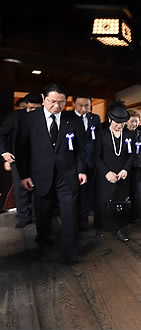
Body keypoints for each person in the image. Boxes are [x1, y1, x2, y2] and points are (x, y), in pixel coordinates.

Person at [15, 84, 87, 264]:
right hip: (40, 174)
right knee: (42, 212)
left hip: (67, 174)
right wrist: (24, 175)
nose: (57, 106)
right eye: (52, 101)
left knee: (70, 213)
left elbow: (80, 149)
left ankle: (70, 250)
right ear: (43, 98)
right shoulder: (29, 119)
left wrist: (81, 170)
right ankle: (44, 241)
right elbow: (21, 150)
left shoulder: (73, 120)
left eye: (62, 102)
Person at [94, 101, 139, 241]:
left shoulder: (129, 135)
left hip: (123, 175)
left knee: (122, 202)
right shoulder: (102, 134)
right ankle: (101, 226)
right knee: (103, 200)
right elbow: (96, 156)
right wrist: (106, 173)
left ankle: (121, 229)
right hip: (105, 174)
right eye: (116, 123)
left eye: (122, 123)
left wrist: (126, 169)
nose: (119, 125)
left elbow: (132, 155)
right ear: (109, 119)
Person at [0, 92, 42, 228]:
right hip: (19, 158)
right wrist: (5, 153)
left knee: (39, 188)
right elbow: (2, 134)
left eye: (37, 108)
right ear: (26, 105)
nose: (34, 111)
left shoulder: (44, 117)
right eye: (31, 108)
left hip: (39, 158)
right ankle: (24, 216)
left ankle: (37, 216)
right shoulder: (16, 116)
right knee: (20, 188)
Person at [72, 93, 101, 231]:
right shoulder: (67, 118)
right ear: (73, 104)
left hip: (90, 162)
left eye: (87, 106)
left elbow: (98, 141)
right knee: (72, 194)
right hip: (72, 163)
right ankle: (70, 220)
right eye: (80, 105)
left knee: (86, 193)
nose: (84, 108)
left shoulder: (94, 118)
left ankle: (83, 221)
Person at [126, 109, 141, 223]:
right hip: (124, 168)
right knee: (125, 192)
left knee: (136, 193)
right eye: (132, 121)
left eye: (136, 121)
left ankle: (135, 216)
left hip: (137, 167)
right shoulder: (122, 133)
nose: (134, 124)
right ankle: (124, 215)